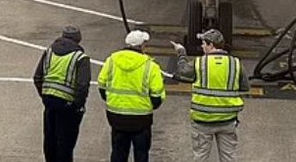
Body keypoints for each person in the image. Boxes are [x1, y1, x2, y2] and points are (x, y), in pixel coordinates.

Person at [171, 29, 250, 162]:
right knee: (229, 157)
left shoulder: (199, 63)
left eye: (203, 43)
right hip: (227, 119)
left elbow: (182, 72)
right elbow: (245, 87)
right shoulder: (236, 63)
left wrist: (181, 53)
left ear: (211, 45)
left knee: (200, 157)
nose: (202, 46)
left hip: (203, 120)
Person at [98, 30, 166, 162]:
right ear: (142, 46)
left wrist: (112, 101)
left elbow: (101, 85)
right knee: (141, 154)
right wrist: (150, 106)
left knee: (118, 152)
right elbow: (157, 95)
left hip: (116, 115)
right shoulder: (150, 66)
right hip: (141, 118)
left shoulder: (111, 60)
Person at [33, 26, 90, 162]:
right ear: (79, 39)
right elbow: (82, 86)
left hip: (49, 102)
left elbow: (37, 77)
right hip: (68, 106)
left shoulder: (49, 52)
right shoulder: (80, 58)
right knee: (65, 143)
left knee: (50, 140)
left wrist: (45, 96)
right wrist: (78, 105)